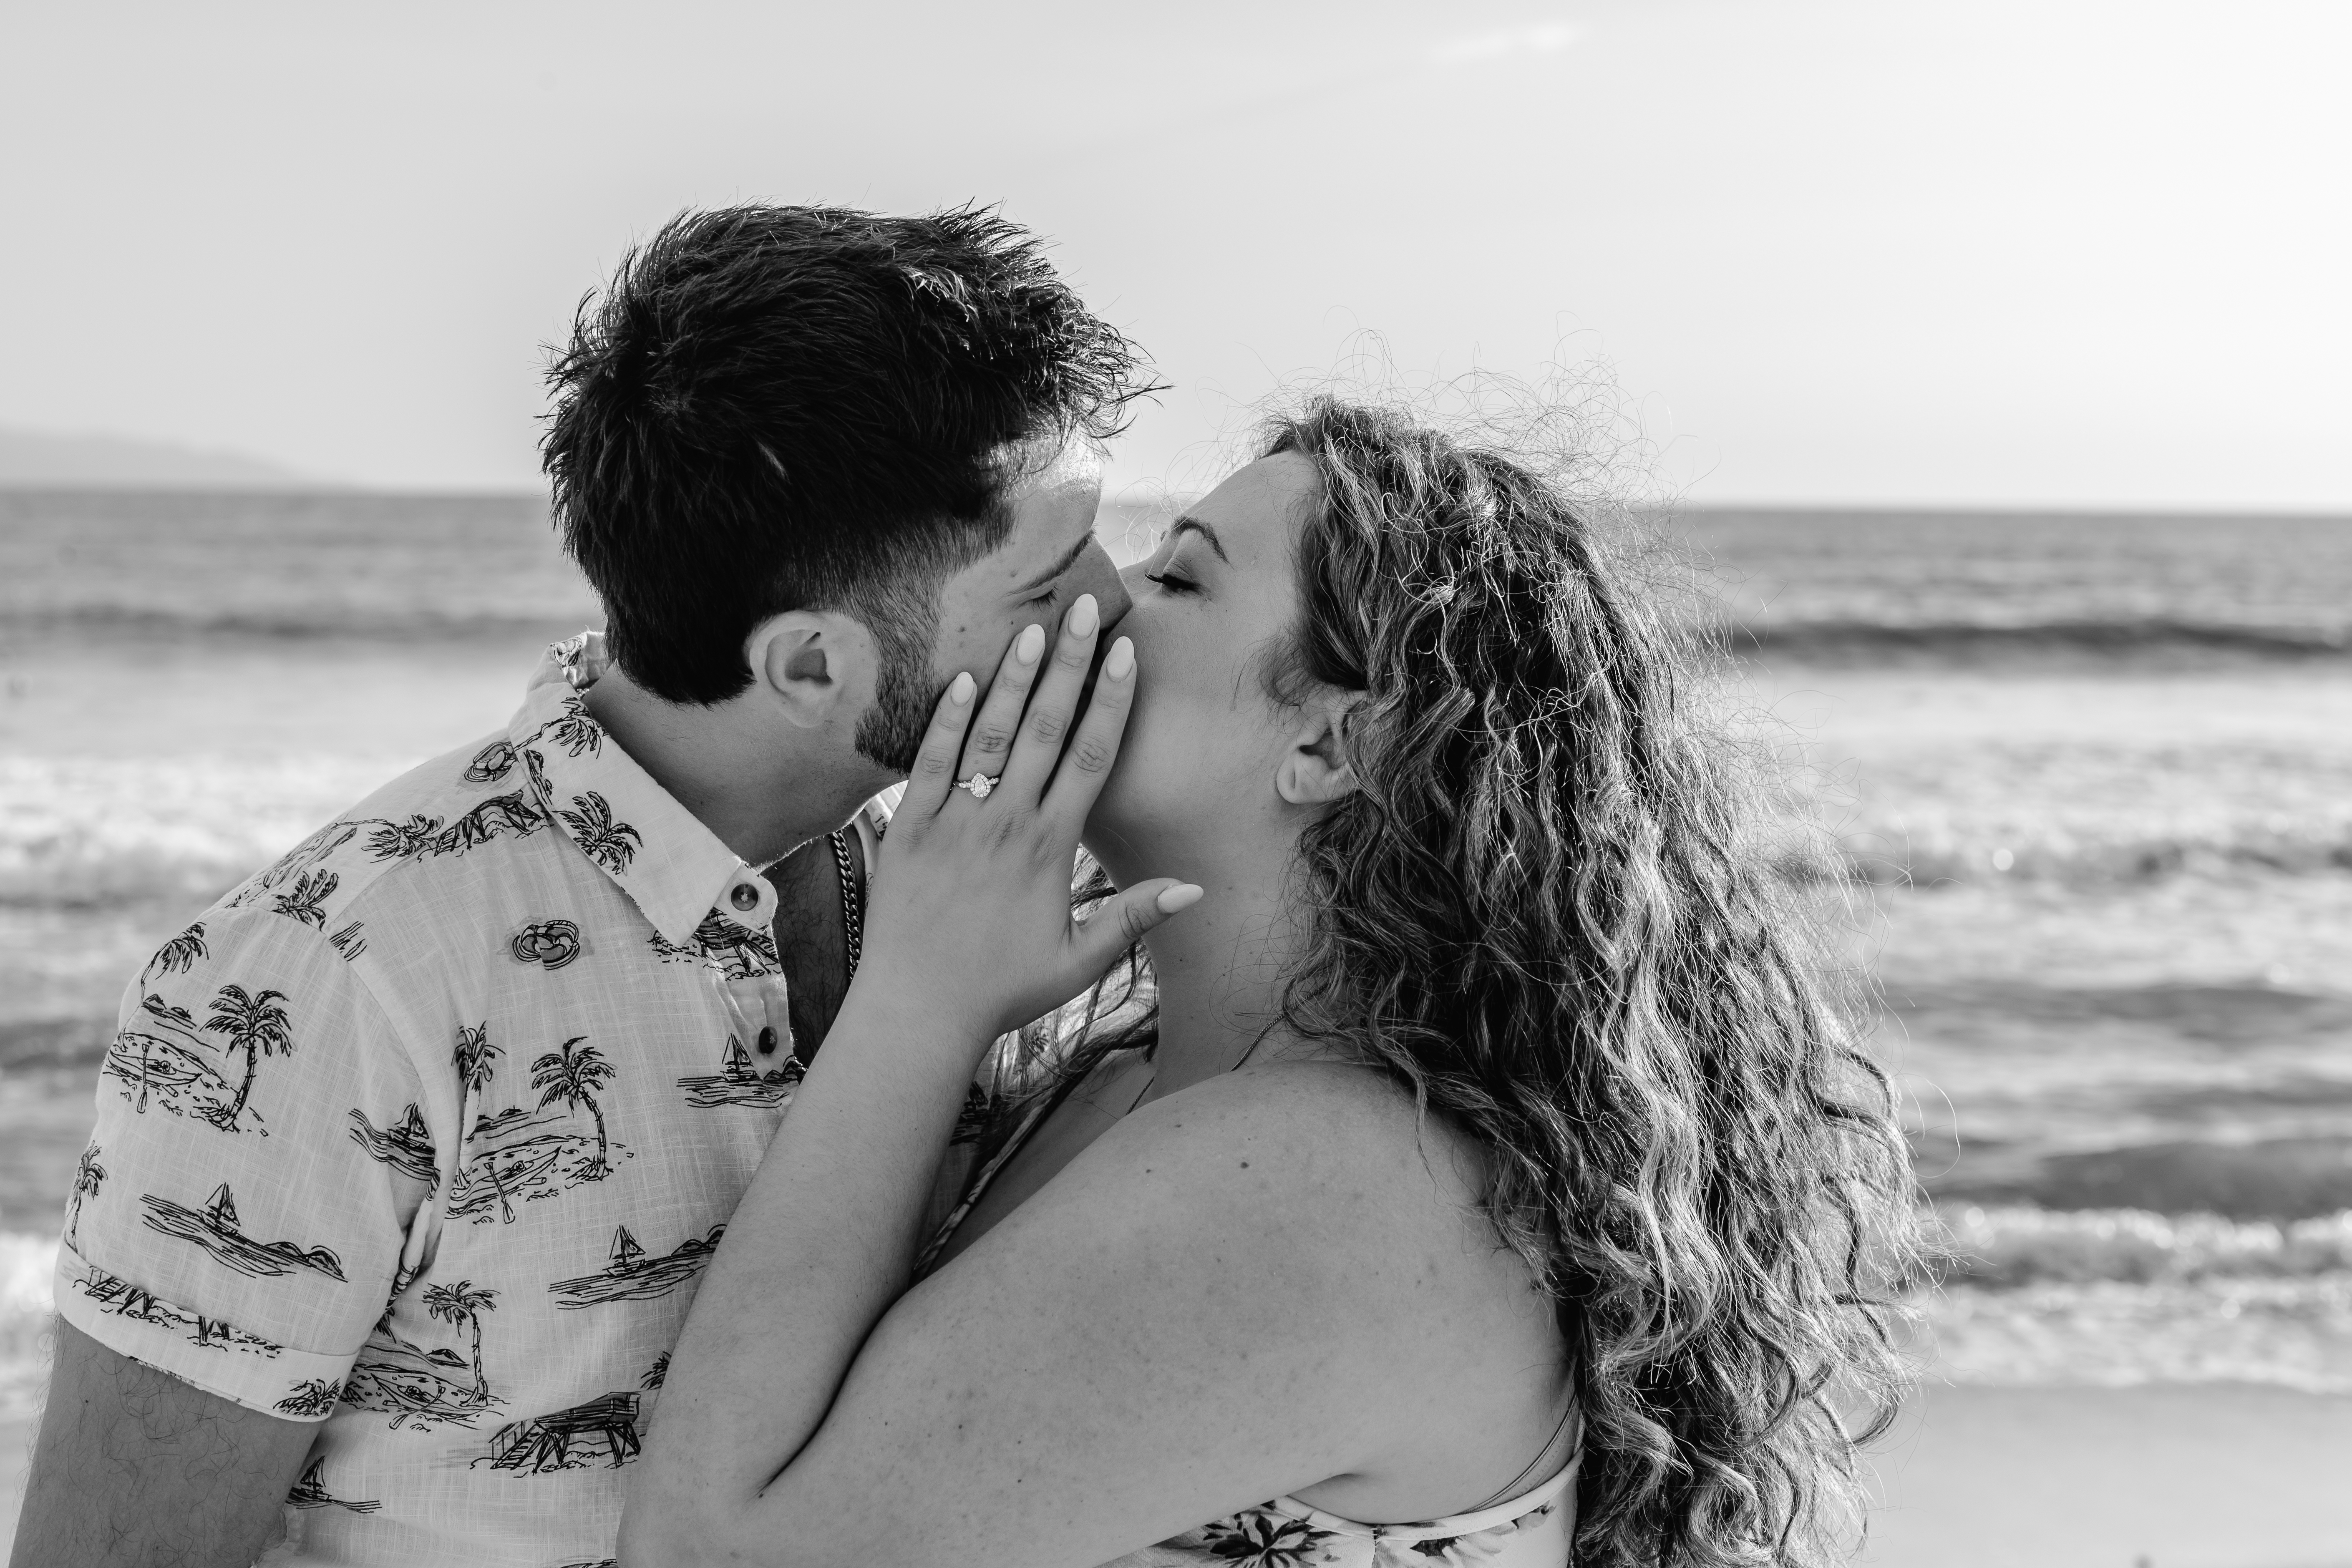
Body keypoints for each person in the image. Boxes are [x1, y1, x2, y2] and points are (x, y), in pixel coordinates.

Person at [12, 202, 1148, 1568]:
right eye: (1050, 584)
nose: (1116, 603)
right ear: (809, 669)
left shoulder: (979, 876)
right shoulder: (328, 980)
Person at [623, 398, 1923, 1568]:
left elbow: (706, 1558)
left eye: (1180, 577)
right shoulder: (1143, 1080)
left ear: (1334, 740)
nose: (1102, 599)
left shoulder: (1324, 1181)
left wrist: (922, 994)